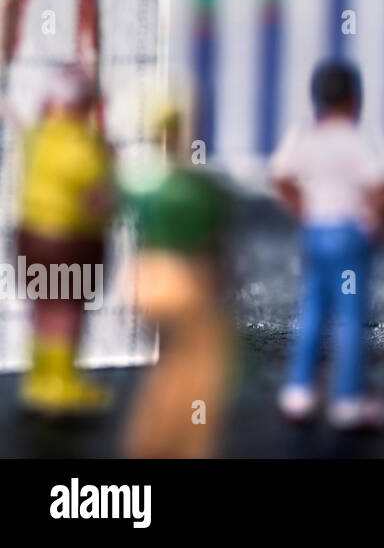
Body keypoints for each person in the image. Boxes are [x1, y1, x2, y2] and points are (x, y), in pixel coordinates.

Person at [271, 59, 384, 431]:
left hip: (316, 233)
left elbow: (281, 178)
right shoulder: (358, 139)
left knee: (311, 311)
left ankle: (299, 391)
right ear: (355, 99)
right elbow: (381, 187)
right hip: (347, 234)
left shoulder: (304, 135)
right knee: (350, 317)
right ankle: (348, 398)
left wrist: (304, 210)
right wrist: (374, 220)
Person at [119, 96, 234, 457]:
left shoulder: (137, 180)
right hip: (185, 278)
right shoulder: (196, 188)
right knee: (201, 371)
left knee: (168, 366)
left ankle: (150, 441)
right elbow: (215, 239)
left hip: (146, 275)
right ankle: (185, 445)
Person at [15, 65, 116, 416]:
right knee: (67, 315)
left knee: (43, 311)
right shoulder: (84, 148)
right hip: (69, 243)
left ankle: (41, 380)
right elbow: (100, 198)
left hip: (32, 238)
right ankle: (60, 384)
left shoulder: (37, 136)